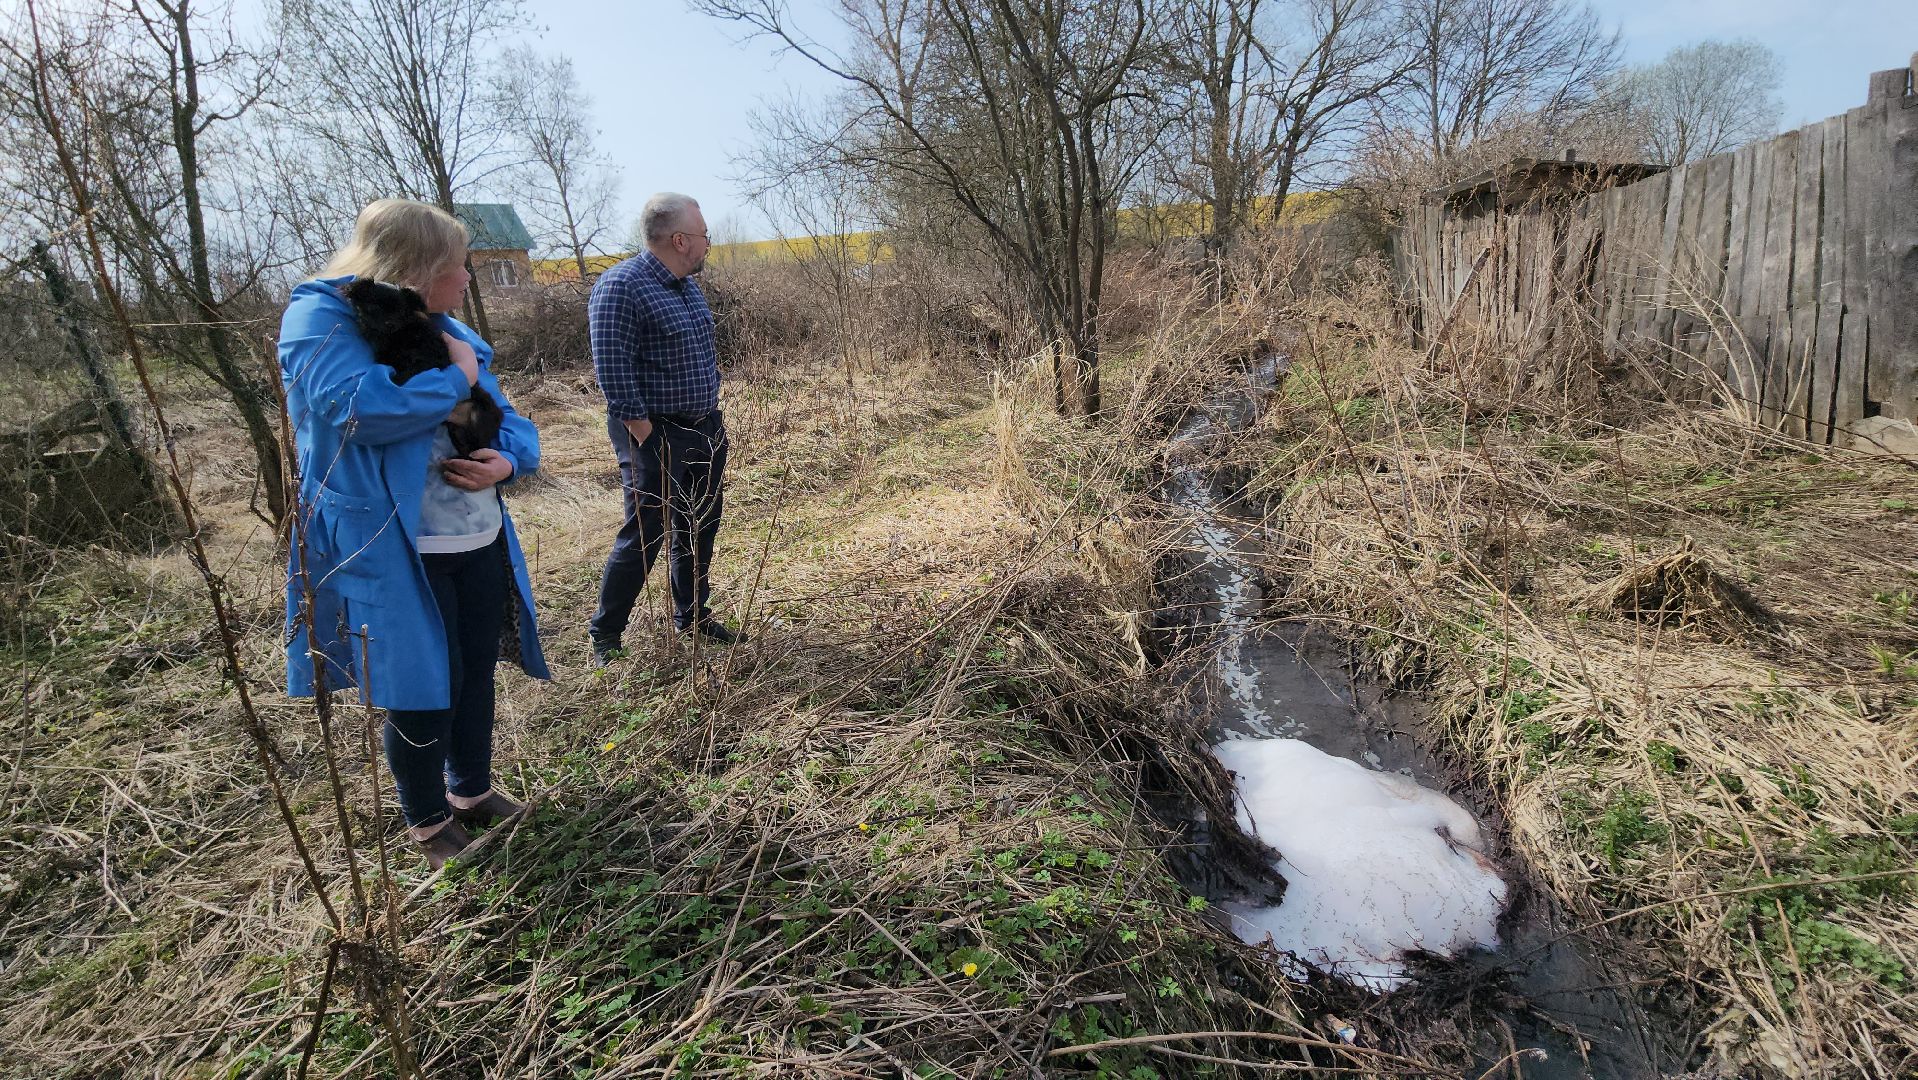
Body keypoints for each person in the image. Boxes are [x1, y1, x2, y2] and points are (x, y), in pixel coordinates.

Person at [278, 198, 549, 869]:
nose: (467, 280)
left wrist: (506, 460)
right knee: (422, 685)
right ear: (419, 268)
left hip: (476, 537)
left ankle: (471, 791)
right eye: (458, 267)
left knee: (475, 670)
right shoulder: (320, 319)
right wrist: (454, 377)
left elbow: (511, 421)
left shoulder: (446, 325)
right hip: (394, 545)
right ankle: (427, 821)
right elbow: (360, 409)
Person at [587, 192, 741, 661]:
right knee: (646, 533)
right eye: (703, 236)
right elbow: (614, 375)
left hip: (704, 427)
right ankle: (606, 635)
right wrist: (649, 440)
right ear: (679, 239)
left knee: (699, 527)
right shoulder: (621, 287)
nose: (707, 244)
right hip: (654, 434)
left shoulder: (687, 285)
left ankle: (692, 616)